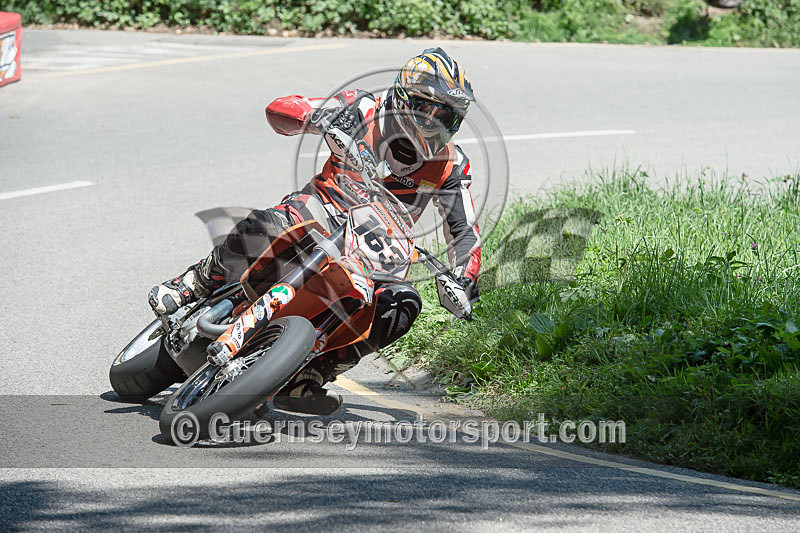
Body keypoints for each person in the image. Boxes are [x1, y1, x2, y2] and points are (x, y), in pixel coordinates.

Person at [149, 47, 481, 415]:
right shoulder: (364, 107)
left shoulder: (452, 164)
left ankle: (312, 375)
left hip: (374, 246)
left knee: (402, 303)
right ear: (402, 97)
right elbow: (281, 109)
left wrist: (463, 278)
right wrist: (319, 117)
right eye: (424, 108)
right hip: (319, 209)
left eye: (445, 116)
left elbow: (464, 229)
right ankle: (195, 282)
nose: (431, 122)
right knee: (271, 223)